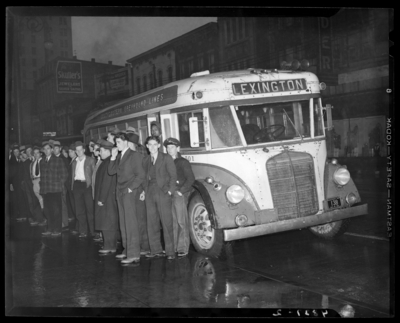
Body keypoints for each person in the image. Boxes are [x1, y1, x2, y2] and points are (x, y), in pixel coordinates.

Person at [108, 132, 145, 264]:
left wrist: (131, 188)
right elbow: (111, 171)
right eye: (116, 142)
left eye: (118, 142)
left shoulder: (134, 155)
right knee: (123, 223)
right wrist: (112, 157)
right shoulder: (119, 156)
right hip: (120, 192)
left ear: (125, 142)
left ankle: (134, 253)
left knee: (130, 223)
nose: (116, 145)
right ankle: (126, 250)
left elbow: (140, 175)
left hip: (129, 192)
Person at [141, 136, 177, 260]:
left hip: (163, 192)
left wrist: (170, 191)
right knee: (151, 222)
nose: (152, 147)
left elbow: (173, 175)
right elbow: (143, 177)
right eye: (149, 144)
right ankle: (155, 249)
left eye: (154, 144)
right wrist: (144, 191)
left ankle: (170, 252)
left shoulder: (166, 158)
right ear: (146, 146)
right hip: (150, 191)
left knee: (166, 222)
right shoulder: (145, 160)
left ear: (158, 145)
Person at [164, 137, 195, 257]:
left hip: (178, 194)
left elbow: (191, 179)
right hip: (169, 194)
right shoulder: (166, 161)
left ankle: (183, 247)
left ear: (178, 148)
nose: (169, 149)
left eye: (172, 147)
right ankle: (175, 247)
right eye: (167, 147)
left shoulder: (183, 162)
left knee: (181, 221)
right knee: (172, 221)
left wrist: (181, 191)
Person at [126, 132, 151, 256]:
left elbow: (144, 177)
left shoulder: (137, 157)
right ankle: (139, 245)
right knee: (135, 219)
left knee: (141, 220)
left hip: (139, 191)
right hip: (132, 191)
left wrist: (143, 191)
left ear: (131, 144)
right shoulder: (129, 156)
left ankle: (145, 246)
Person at [94, 139, 119, 254]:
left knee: (107, 221)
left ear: (108, 151)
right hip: (107, 196)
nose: (100, 153)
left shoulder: (108, 162)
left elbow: (106, 182)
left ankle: (109, 246)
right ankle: (109, 245)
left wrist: (101, 199)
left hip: (107, 197)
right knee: (107, 221)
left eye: (102, 151)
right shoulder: (106, 162)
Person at [40, 141, 68, 237]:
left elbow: (64, 174)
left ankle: (57, 229)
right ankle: (50, 228)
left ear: (52, 150)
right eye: (45, 149)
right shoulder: (42, 161)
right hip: (46, 189)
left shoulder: (58, 160)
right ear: (43, 151)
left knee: (56, 210)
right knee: (48, 210)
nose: (46, 151)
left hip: (55, 189)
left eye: (48, 148)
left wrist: (59, 184)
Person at [71, 141, 96, 238]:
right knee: (79, 210)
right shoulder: (74, 161)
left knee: (90, 209)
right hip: (77, 185)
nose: (79, 152)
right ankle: (83, 231)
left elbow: (94, 175)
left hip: (87, 185)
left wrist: (92, 186)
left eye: (80, 150)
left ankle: (93, 231)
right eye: (77, 150)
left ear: (84, 150)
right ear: (75, 151)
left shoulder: (90, 160)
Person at [53, 140, 69, 231]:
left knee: (62, 204)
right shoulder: (52, 159)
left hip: (61, 185)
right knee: (56, 205)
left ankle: (65, 223)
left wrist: (61, 183)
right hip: (54, 186)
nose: (55, 150)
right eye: (54, 149)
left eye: (57, 148)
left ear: (60, 149)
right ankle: (59, 222)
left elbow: (66, 173)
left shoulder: (63, 159)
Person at [91, 142, 103, 242]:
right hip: (95, 191)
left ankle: (102, 234)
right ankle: (100, 233)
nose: (93, 151)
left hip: (100, 193)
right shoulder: (97, 161)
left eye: (95, 149)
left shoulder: (101, 162)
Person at [9, 145, 22, 221]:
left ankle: (20, 213)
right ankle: (15, 214)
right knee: (15, 198)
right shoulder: (11, 162)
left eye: (17, 151)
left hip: (20, 183)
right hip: (14, 183)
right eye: (15, 152)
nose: (16, 153)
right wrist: (10, 184)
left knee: (20, 198)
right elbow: (10, 174)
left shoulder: (19, 160)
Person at [67, 144, 77, 228]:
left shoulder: (75, 161)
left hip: (73, 187)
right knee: (73, 205)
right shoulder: (71, 161)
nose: (69, 153)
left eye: (71, 151)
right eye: (69, 151)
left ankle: (78, 225)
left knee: (76, 206)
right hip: (70, 186)